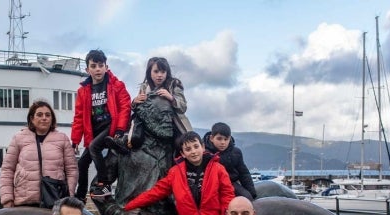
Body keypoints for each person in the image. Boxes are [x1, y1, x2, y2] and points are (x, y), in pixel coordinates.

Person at [107, 57, 192, 205]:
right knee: (136, 133)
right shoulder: (145, 86)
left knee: (181, 151)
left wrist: (170, 98)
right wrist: (135, 102)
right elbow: (139, 108)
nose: (160, 75)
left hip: (174, 126)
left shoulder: (174, 84)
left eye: (163, 71)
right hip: (149, 125)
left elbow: (182, 106)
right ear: (150, 72)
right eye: (156, 71)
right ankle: (125, 140)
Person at [70, 49, 131, 202]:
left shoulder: (116, 85)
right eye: (93, 66)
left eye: (100, 65)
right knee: (82, 163)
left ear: (106, 66)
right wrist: (75, 140)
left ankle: (104, 183)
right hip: (94, 131)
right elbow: (78, 116)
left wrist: (120, 129)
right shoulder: (83, 91)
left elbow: (125, 106)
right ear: (87, 69)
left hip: (110, 128)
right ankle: (80, 196)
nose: (97, 69)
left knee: (93, 147)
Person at [0, 100, 77, 208]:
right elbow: (7, 169)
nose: (44, 118)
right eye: (39, 115)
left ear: (52, 118)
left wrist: (69, 196)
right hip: (25, 199)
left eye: (48, 115)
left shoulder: (62, 139)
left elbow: (71, 169)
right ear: (32, 118)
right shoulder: (19, 138)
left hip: (55, 199)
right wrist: (7, 199)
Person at [203, 122, 257, 199]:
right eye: (219, 138)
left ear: (230, 138)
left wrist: (251, 193)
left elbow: (244, 173)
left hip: (231, 182)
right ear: (212, 138)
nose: (223, 142)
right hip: (212, 184)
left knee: (247, 197)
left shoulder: (236, 153)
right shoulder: (205, 153)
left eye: (226, 139)